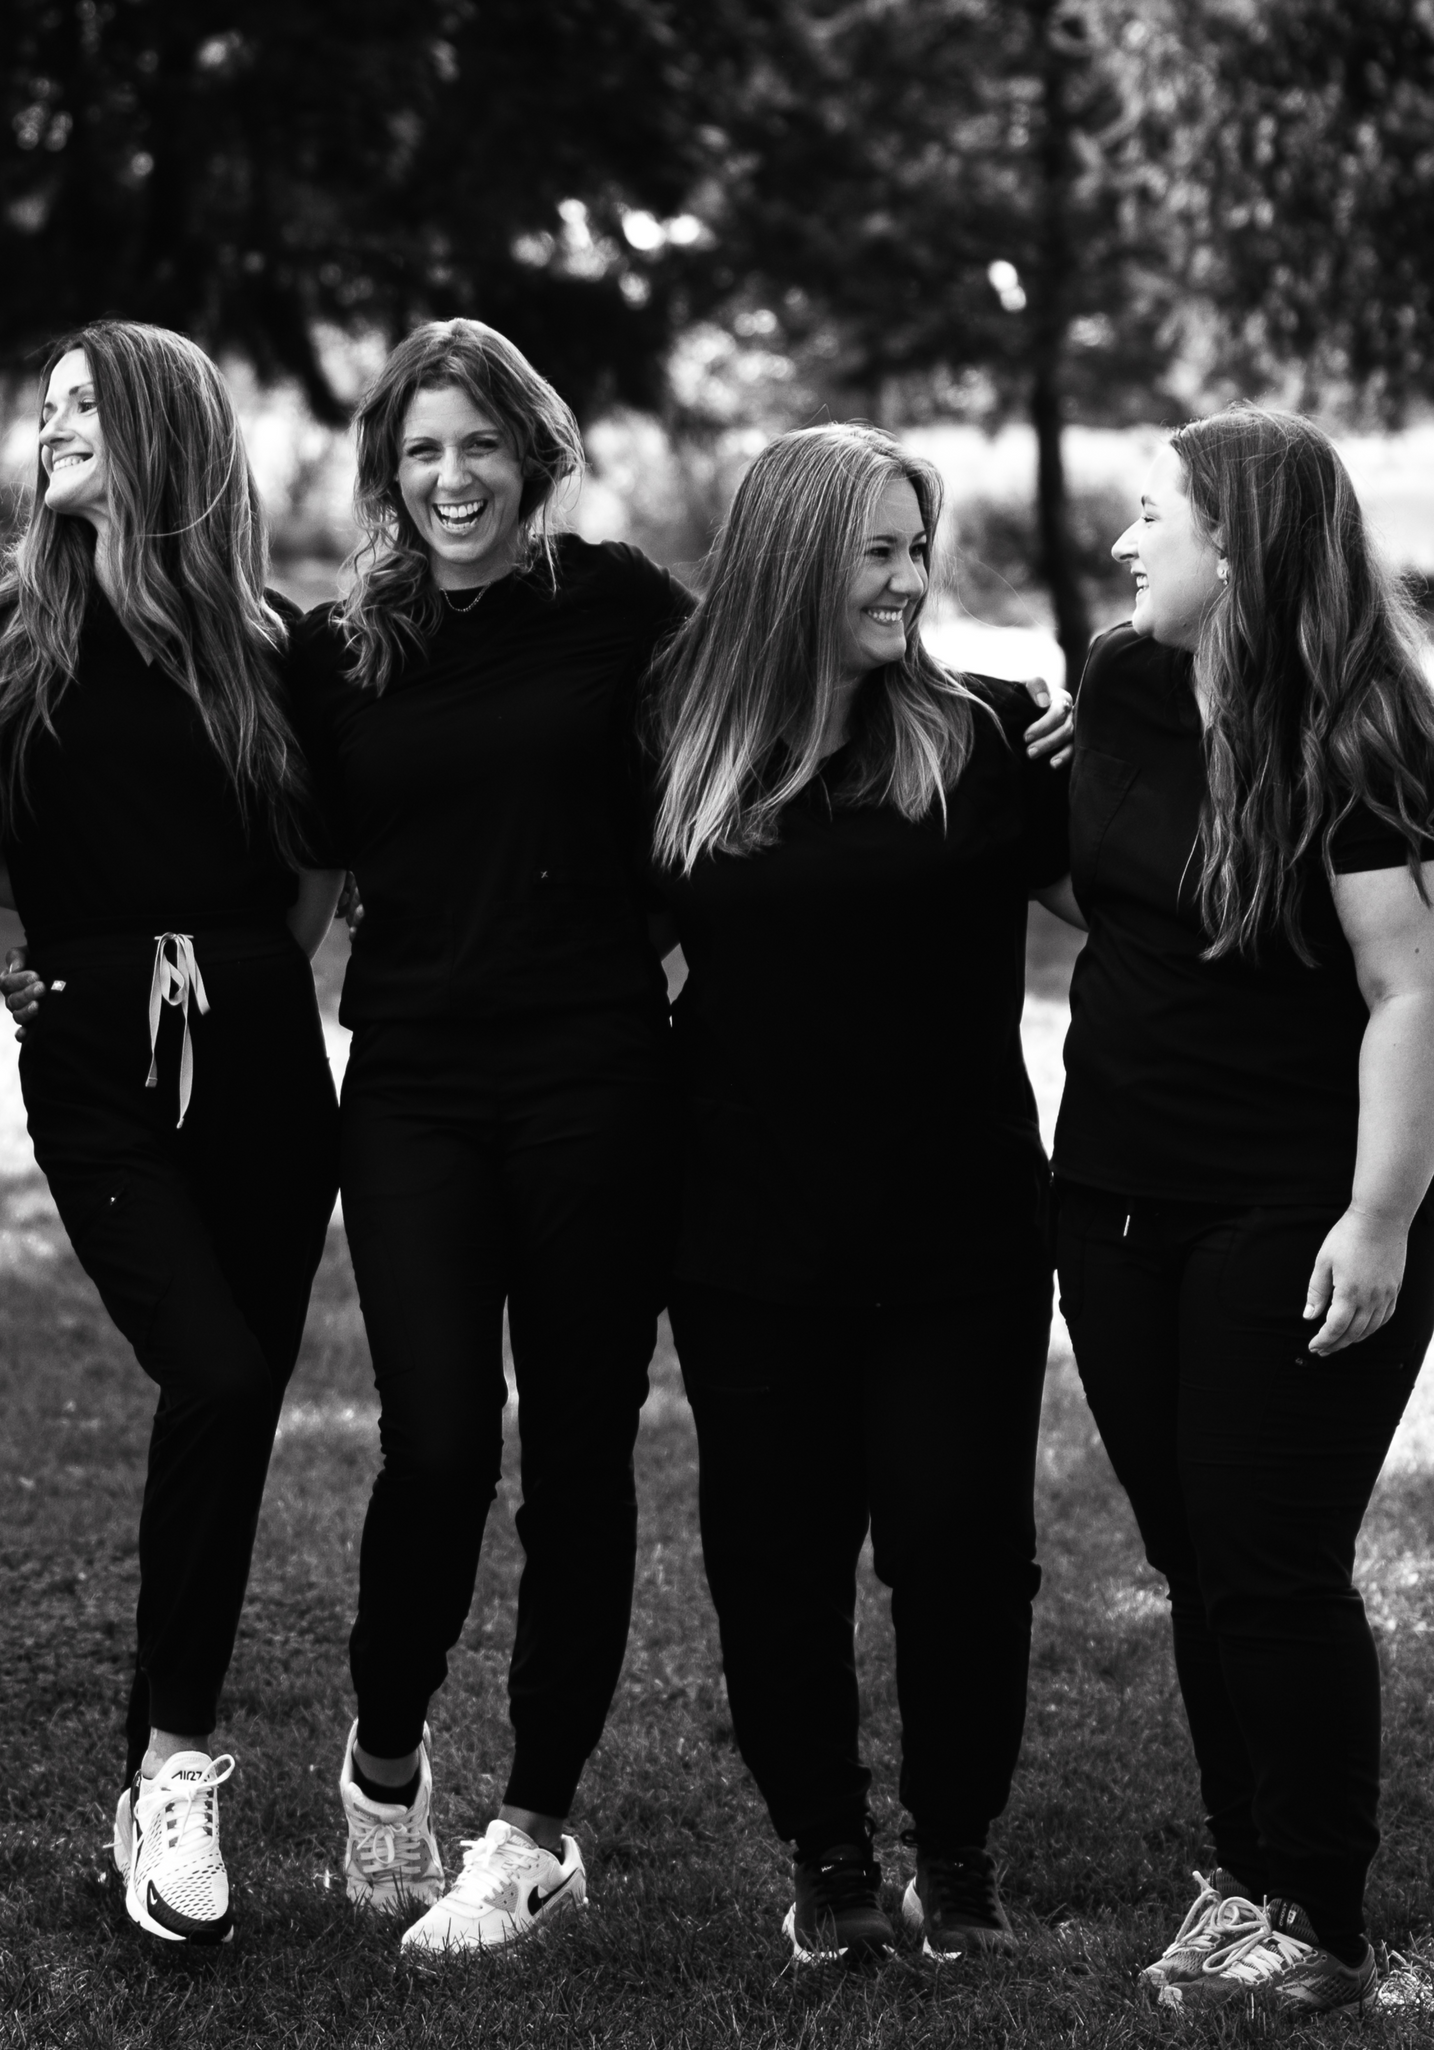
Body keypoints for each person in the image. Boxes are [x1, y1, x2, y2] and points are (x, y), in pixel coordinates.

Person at [282, 317, 698, 1957]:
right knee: (439, 1440)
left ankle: (532, 1825)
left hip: (601, 1072)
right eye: (420, 451)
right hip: (416, 1087)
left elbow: (749, 749)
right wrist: (86, 969)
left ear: (533, 453)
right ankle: (385, 1770)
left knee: (581, 1451)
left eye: (479, 446)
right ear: (389, 471)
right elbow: (288, 879)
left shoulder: (619, 608)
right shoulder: (341, 650)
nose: (451, 479)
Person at [644, 422, 1074, 1965]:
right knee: (772, 1546)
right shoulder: (682, 742)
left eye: (915, 550)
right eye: (875, 554)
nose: (906, 582)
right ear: (790, 563)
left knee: (961, 1541)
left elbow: (1148, 895)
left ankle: (952, 1857)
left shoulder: (991, 737)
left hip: (959, 1226)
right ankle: (827, 1854)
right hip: (749, 1230)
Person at [1051, 406, 1434, 2017]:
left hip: (1295, 1206)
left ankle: (1322, 1920)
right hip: (1118, 1194)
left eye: (1157, 518)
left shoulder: (1359, 737)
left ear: (1241, 548)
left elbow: (1407, 986)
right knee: (1189, 1549)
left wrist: (1378, 1212)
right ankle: (1247, 1875)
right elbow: (1107, 881)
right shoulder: (1122, 679)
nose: (1128, 543)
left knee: (1268, 1557)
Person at [0, 322, 342, 1947]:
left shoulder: (274, 644)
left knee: (236, 1400)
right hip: (97, 1055)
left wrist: (241, 968)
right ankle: (180, 1761)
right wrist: (75, 952)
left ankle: (155, 1757)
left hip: (262, 1052)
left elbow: (315, 859)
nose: (53, 426)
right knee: (217, 1368)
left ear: (165, 428)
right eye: (41, 408)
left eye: (82, 404)